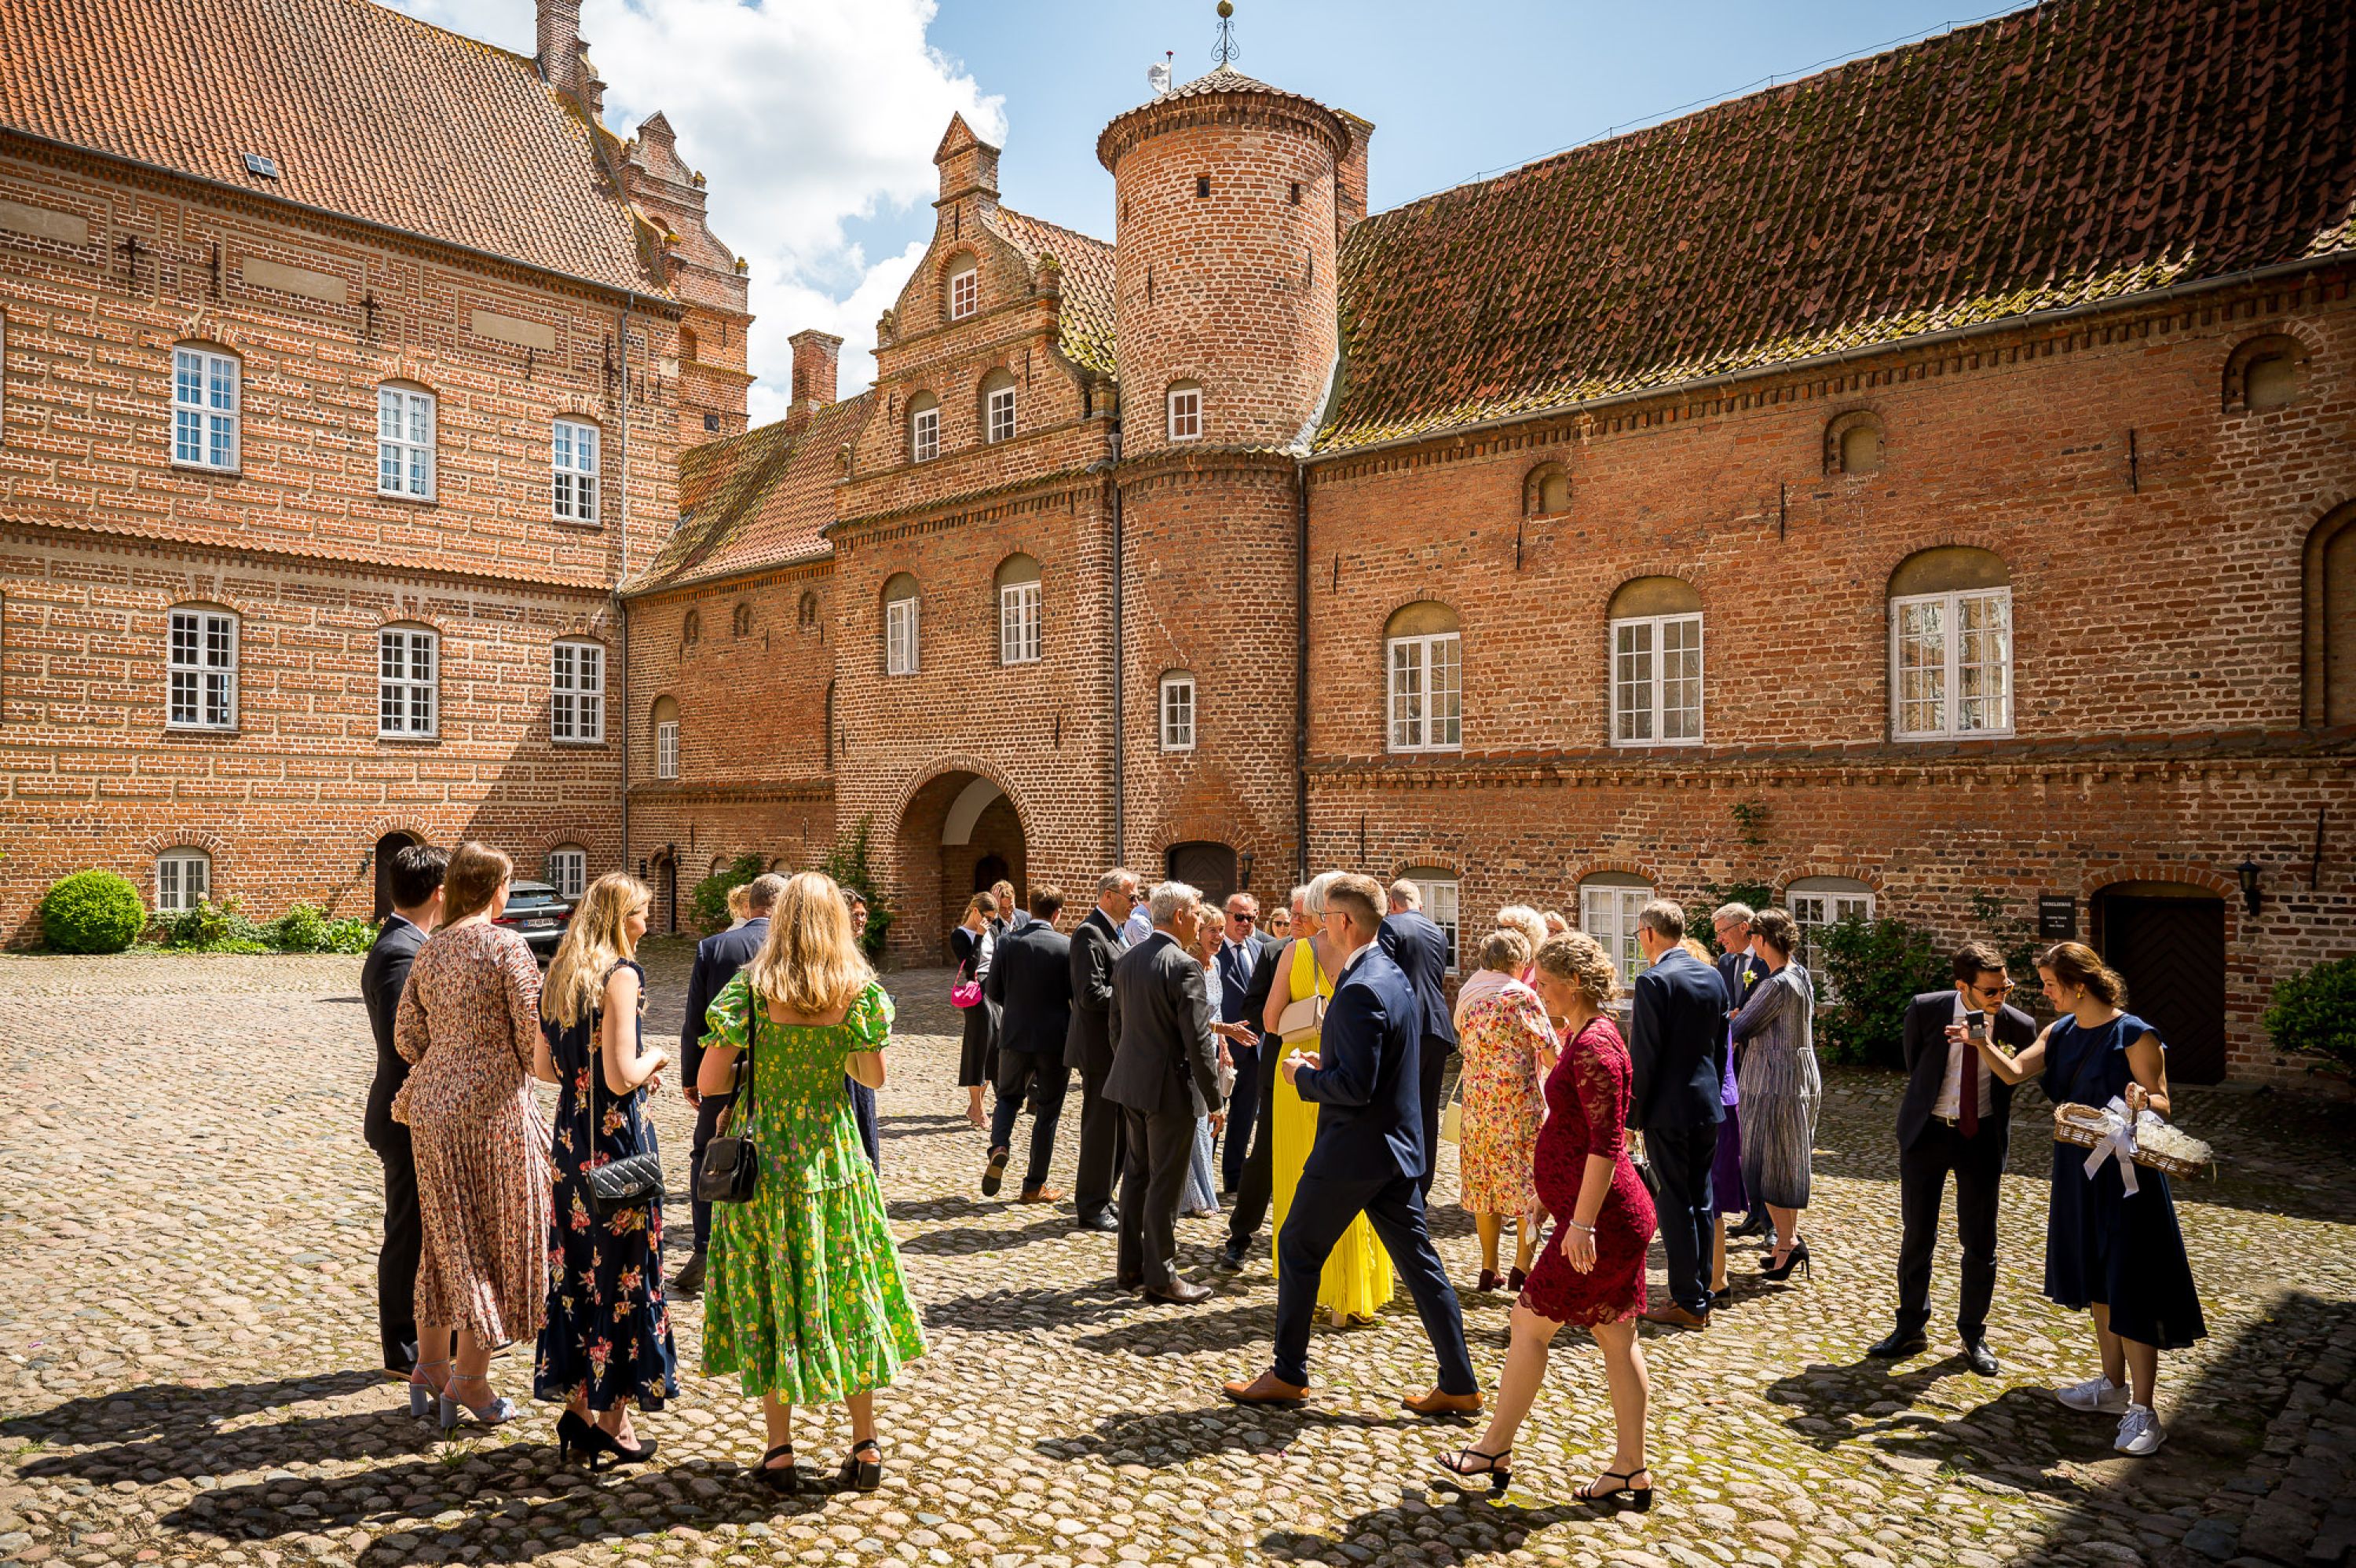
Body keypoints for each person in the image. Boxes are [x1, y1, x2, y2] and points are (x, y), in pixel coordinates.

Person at [696, 872, 927, 1492]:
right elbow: (871, 1078)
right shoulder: (858, 991)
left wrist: (758, 1059)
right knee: (848, 1288)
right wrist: (835, 1047)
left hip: (767, 1162)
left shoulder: (749, 990)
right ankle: (866, 1443)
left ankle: (779, 1453)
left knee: (773, 1292)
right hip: (834, 1161)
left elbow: (712, 1081)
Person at [1224, 873, 1479, 1413]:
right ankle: (1459, 1381)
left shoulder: (1361, 984)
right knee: (1421, 1264)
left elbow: (1355, 1088)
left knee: (1297, 1244)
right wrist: (1328, 1062)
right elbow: (1378, 1065)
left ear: (1343, 922)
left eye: (1324, 920)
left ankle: (1289, 1373)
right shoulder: (1389, 973)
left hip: (1355, 1148)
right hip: (1394, 1147)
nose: (1318, 929)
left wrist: (1302, 1076)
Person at [1436, 931, 1656, 1506]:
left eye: (1549, 984)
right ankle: (1630, 1467)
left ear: (1574, 983)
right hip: (1594, 1213)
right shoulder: (1584, 1034)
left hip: (1603, 1222)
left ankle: (1493, 1447)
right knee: (1615, 1333)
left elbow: (1608, 1142)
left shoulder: (1594, 1046)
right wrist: (1547, 1194)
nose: (1542, 991)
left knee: (1529, 1323)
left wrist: (1578, 1224)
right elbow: (1574, 1130)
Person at [1965, 941, 2204, 1456]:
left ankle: (2145, 1409)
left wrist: (2144, 1100)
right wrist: (1980, 1043)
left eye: (2050, 983)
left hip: (2127, 1175)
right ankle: (2113, 1387)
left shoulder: (2135, 1034)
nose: (2044, 992)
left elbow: (2163, 1102)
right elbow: (2012, 1071)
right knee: (2098, 1277)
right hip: (2076, 1170)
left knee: (2130, 1281)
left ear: (2077, 982)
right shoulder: (2060, 1032)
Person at [390, 842, 551, 1429]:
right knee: (489, 1237)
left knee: (444, 1239)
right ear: (493, 887)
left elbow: (408, 1038)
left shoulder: (431, 950)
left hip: (431, 1107)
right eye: (507, 882)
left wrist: (451, 1059)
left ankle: (429, 1367)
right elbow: (532, 1039)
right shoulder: (506, 945)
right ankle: (472, 1381)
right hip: (490, 1110)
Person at [534, 872, 677, 1466]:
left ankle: (576, 1411)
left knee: (576, 1279)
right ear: (622, 917)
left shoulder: (562, 974)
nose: (647, 922)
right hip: (616, 1147)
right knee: (623, 1277)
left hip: (571, 1146)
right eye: (642, 913)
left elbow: (545, 1068)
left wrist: (594, 1073)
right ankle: (614, 1424)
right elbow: (622, 1074)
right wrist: (657, 1056)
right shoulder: (621, 975)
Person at [1870, 941, 2037, 1374]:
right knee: (1917, 1234)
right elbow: (1916, 1064)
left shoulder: (2018, 1025)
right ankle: (1910, 1326)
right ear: (1963, 986)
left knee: (1980, 1240)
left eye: (2006, 987)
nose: (2000, 997)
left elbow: (2015, 1078)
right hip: (1927, 1133)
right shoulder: (1926, 1010)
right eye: (1990, 991)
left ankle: (1973, 1333)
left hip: (1979, 1137)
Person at [1264, 873, 1394, 1326]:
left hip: (1298, 1070)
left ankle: (1311, 1292)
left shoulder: (1296, 952)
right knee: (1349, 1185)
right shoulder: (1366, 956)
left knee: (1303, 1189)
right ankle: (1351, 1297)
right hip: (1346, 1072)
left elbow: (1271, 1021)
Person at [1107, 882, 1227, 1301]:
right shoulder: (1184, 966)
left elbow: (1116, 1031)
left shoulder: (1127, 959)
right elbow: (1198, 1043)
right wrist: (1215, 1101)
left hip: (1131, 1085)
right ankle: (1161, 1275)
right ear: (1179, 916)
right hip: (1171, 1090)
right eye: (1196, 913)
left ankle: (1130, 1269)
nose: (1199, 920)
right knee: (1165, 1182)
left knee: (1138, 1176)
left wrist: (1131, 1069)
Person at [675, 873, 785, 1299]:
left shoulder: (715, 947)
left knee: (709, 1156)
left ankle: (705, 1246)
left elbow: (695, 1020)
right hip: (779, 1075)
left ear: (749, 906)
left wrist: (690, 1076)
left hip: (723, 1070)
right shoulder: (794, 950)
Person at [361, 842, 448, 1378]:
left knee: (422, 1227)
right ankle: (402, 1344)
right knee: (408, 1230)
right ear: (440, 892)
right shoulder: (401, 950)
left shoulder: (408, 942)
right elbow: (403, 1041)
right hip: (404, 1114)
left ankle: (432, 1335)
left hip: (411, 1111)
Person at [1625, 898, 1728, 1329]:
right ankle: (1701, 1291)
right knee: (1701, 1200)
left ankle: (1688, 1299)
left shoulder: (1653, 982)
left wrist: (1632, 1115)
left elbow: (1643, 1057)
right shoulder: (1713, 976)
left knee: (1675, 1202)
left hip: (1668, 1109)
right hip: (1706, 1103)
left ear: (1649, 934)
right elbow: (1722, 1047)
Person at [1453, 929, 1552, 1292]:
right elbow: (1551, 1050)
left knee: (1485, 1186)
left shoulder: (1469, 996)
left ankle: (1487, 1267)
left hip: (1478, 1107)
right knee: (1530, 1185)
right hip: (1518, 1107)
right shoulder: (1521, 997)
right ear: (1516, 962)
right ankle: (1522, 1268)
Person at [1217, 885, 1308, 1273]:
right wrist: (1294, 1015)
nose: (1297, 922)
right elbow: (1252, 1008)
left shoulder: (1339, 954)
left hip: (1324, 1072)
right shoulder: (1274, 951)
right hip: (1279, 1065)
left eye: (1304, 916)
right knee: (1265, 1156)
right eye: (1295, 915)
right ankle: (1240, 1237)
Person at [1729, 908, 1821, 1285]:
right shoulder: (1800, 974)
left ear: (1762, 940)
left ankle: (1787, 1242)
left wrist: (1732, 1018)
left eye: (1753, 937)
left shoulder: (1776, 984)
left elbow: (1742, 1027)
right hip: (1798, 1078)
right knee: (1786, 1162)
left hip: (1772, 1082)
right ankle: (1787, 1243)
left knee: (1766, 1164)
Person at [982, 886, 1073, 1204]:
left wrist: (1018, 1006)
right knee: (1047, 1113)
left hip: (1015, 1035)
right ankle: (1034, 1186)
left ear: (1030, 909)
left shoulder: (1007, 943)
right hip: (1055, 1040)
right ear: (1057, 913)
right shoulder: (1066, 946)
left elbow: (992, 991)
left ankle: (1000, 1147)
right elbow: (1075, 996)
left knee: (1007, 1097)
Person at [1066, 870, 1140, 1232]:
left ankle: (1104, 1196)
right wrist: (1136, 997)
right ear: (1109, 896)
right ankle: (1091, 1206)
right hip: (1098, 1050)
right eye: (1131, 895)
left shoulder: (1116, 932)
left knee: (1119, 1129)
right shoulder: (1088, 933)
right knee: (1100, 1130)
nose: (1135, 902)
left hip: (1116, 1048)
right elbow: (1090, 994)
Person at [1380, 879, 1459, 1202]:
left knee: (1398, 1105)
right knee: (1428, 1109)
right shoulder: (1437, 932)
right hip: (1438, 1027)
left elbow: (1386, 977)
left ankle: (1398, 1181)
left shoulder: (1389, 926)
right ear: (1419, 904)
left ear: (1392, 903)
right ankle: (1422, 1185)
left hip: (1406, 1026)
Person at [1711, 904, 1770, 1245]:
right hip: (1732, 1061)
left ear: (1744, 928)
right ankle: (1752, 1211)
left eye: (1724, 931)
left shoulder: (1766, 962)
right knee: (1742, 1138)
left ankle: (1767, 1217)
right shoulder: (1724, 963)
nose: (1719, 939)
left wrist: (1743, 1017)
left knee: (1760, 1140)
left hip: (1760, 1058)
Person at [1215, 892, 1273, 1193]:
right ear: (1226, 916)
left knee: (1244, 1116)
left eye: (1251, 917)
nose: (1245, 923)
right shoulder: (1211, 950)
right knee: (1214, 1114)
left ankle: (1233, 1178)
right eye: (1239, 917)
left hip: (1254, 1047)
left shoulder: (1261, 946)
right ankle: (1201, 1181)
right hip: (1221, 1046)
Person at [840, 888, 883, 1170]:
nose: (862, 920)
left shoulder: (855, 953)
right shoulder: (843, 959)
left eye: (864, 915)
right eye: (856, 915)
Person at [952, 891, 1001, 1131]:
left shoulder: (992, 930)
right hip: (976, 991)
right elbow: (969, 967)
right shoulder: (960, 935)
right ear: (975, 912)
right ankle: (977, 1108)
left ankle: (976, 1105)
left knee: (994, 1045)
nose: (990, 923)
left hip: (995, 989)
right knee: (979, 1045)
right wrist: (979, 936)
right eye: (987, 918)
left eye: (992, 919)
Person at [1496, 906, 1549, 983]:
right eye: (1501, 928)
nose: (1504, 934)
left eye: (1510, 930)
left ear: (1530, 934)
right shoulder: (1493, 964)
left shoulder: (1541, 969)